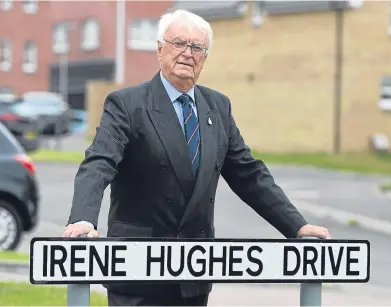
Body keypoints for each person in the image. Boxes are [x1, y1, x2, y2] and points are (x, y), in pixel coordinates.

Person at [63, 8, 331, 306]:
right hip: (138, 274)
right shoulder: (127, 104)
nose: (188, 53)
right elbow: (99, 163)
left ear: (205, 56)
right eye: (179, 43)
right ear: (160, 48)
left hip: (194, 275)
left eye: (197, 47)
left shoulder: (217, 107)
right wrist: (83, 220)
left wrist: (296, 226)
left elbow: (249, 174)